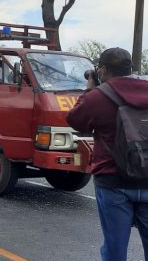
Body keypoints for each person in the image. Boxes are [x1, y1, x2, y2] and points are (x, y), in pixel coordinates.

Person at [67, 47, 148, 261]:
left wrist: (89, 89)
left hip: (113, 181)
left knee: (115, 248)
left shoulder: (97, 97)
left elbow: (75, 121)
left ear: (102, 69)